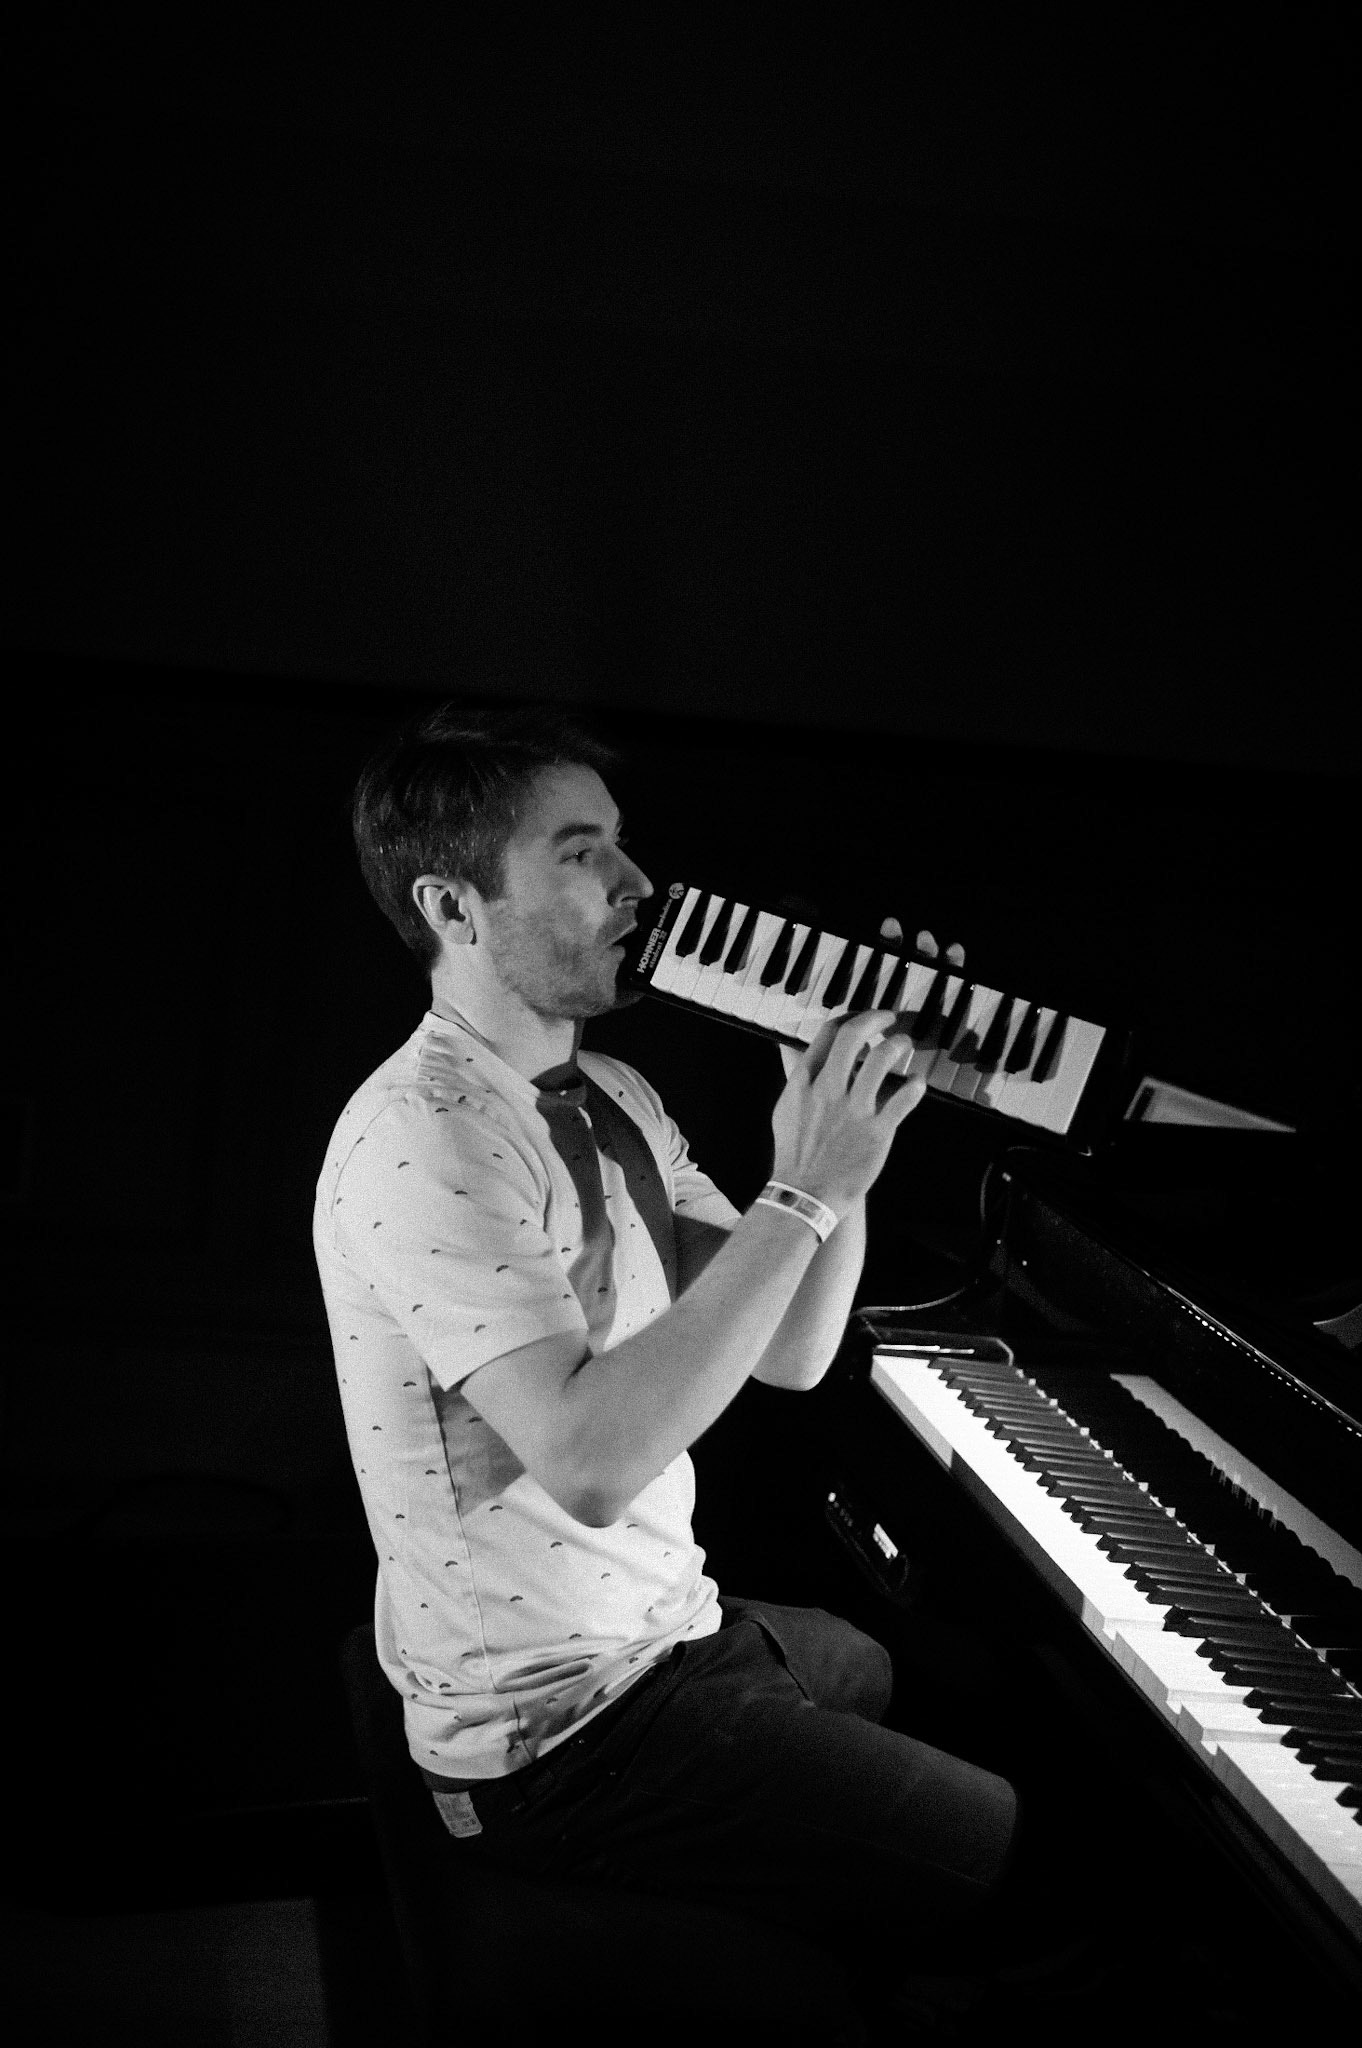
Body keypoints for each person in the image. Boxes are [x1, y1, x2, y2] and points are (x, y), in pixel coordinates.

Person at [313, 700, 1022, 2020]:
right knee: (1019, 1868)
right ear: (455, 908)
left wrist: (848, 1132)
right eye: (583, 852)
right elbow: (587, 1464)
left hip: (661, 1635)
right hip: (559, 1738)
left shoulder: (619, 1098)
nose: (641, 884)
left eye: (624, 844)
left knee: (881, 1667)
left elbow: (794, 1351)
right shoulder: (424, 1141)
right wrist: (804, 1184)